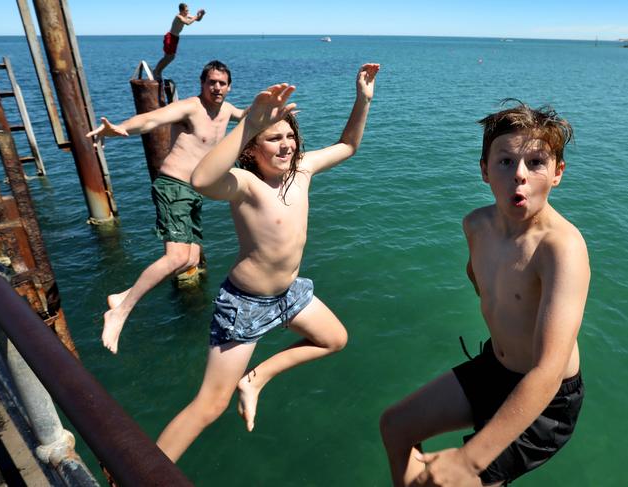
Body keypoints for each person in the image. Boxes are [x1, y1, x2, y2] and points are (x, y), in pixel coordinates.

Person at [154, 63, 380, 462]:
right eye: (273, 138)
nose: (286, 145)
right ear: (251, 150)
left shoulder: (303, 171)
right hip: (246, 306)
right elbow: (202, 180)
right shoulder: (245, 184)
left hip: (289, 294)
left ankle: (257, 380)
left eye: (290, 137)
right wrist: (249, 122)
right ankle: (138, 470)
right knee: (208, 407)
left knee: (334, 339)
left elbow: (348, 146)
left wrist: (361, 101)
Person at [380, 101, 589, 486]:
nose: (519, 176)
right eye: (506, 162)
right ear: (484, 171)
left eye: (536, 163)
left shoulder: (562, 249)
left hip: (547, 399)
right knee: (395, 427)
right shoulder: (476, 225)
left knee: (463, 480)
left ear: (558, 173)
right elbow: (482, 281)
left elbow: (548, 369)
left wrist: (469, 459)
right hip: (495, 366)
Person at [86, 60, 245, 354]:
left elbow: (248, 116)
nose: (217, 88)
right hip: (174, 185)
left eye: (222, 83)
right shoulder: (190, 108)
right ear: (202, 83)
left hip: (194, 193)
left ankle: (123, 296)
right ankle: (119, 312)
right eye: (212, 82)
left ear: (229, 86)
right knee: (175, 258)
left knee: (189, 259)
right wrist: (118, 129)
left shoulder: (227, 110)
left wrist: (276, 110)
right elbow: (151, 119)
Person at [153, 3, 206, 80]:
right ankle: (156, 71)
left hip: (176, 38)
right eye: (186, 10)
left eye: (188, 10)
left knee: (171, 57)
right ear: (181, 10)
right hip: (170, 37)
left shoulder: (186, 15)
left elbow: (198, 20)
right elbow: (188, 23)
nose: (187, 12)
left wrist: (201, 15)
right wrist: (196, 16)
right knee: (168, 56)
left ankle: (159, 71)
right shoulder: (178, 16)